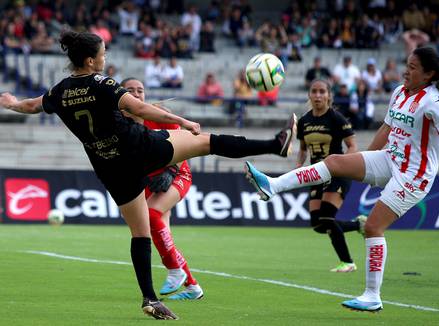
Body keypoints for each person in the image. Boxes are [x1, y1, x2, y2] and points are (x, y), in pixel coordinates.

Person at [0, 30, 297, 320]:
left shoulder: (60, 91)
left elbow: (31, 105)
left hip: (110, 167)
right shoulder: (103, 83)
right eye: (103, 53)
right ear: (90, 61)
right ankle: (275, 144)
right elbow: (140, 108)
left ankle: (150, 299)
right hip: (140, 148)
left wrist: (11, 103)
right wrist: (182, 121)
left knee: (140, 234)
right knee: (207, 142)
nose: (105, 56)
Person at [245, 47, 439, 312]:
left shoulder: (435, 103)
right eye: (408, 64)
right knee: (334, 161)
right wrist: (366, 162)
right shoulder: (400, 92)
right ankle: (273, 185)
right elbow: (386, 128)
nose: (406, 70)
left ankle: (372, 296)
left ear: (429, 74)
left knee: (372, 228)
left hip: (414, 177)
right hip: (390, 158)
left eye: (413, 67)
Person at [120, 77, 203, 300]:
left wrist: (170, 169)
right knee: (160, 233)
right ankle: (193, 287)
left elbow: (183, 144)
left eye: (140, 90)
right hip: (148, 181)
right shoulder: (118, 123)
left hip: (176, 174)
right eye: (130, 90)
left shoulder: (158, 115)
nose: (137, 94)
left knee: (151, 215)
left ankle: (174, 270)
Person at [297, 79, 365, 273]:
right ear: (309, 95)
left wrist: (346, 165)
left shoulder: (336, 119)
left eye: (322, 92)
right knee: (317, 224)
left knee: (327, 217)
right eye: (314, 91)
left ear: (329, 96)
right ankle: (358, 224)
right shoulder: (304, 121)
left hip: (337, 173)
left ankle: (348, 262)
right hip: (315, 175)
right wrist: (297, 168)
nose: (318, 95)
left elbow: (352, 145)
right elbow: (303, 149)